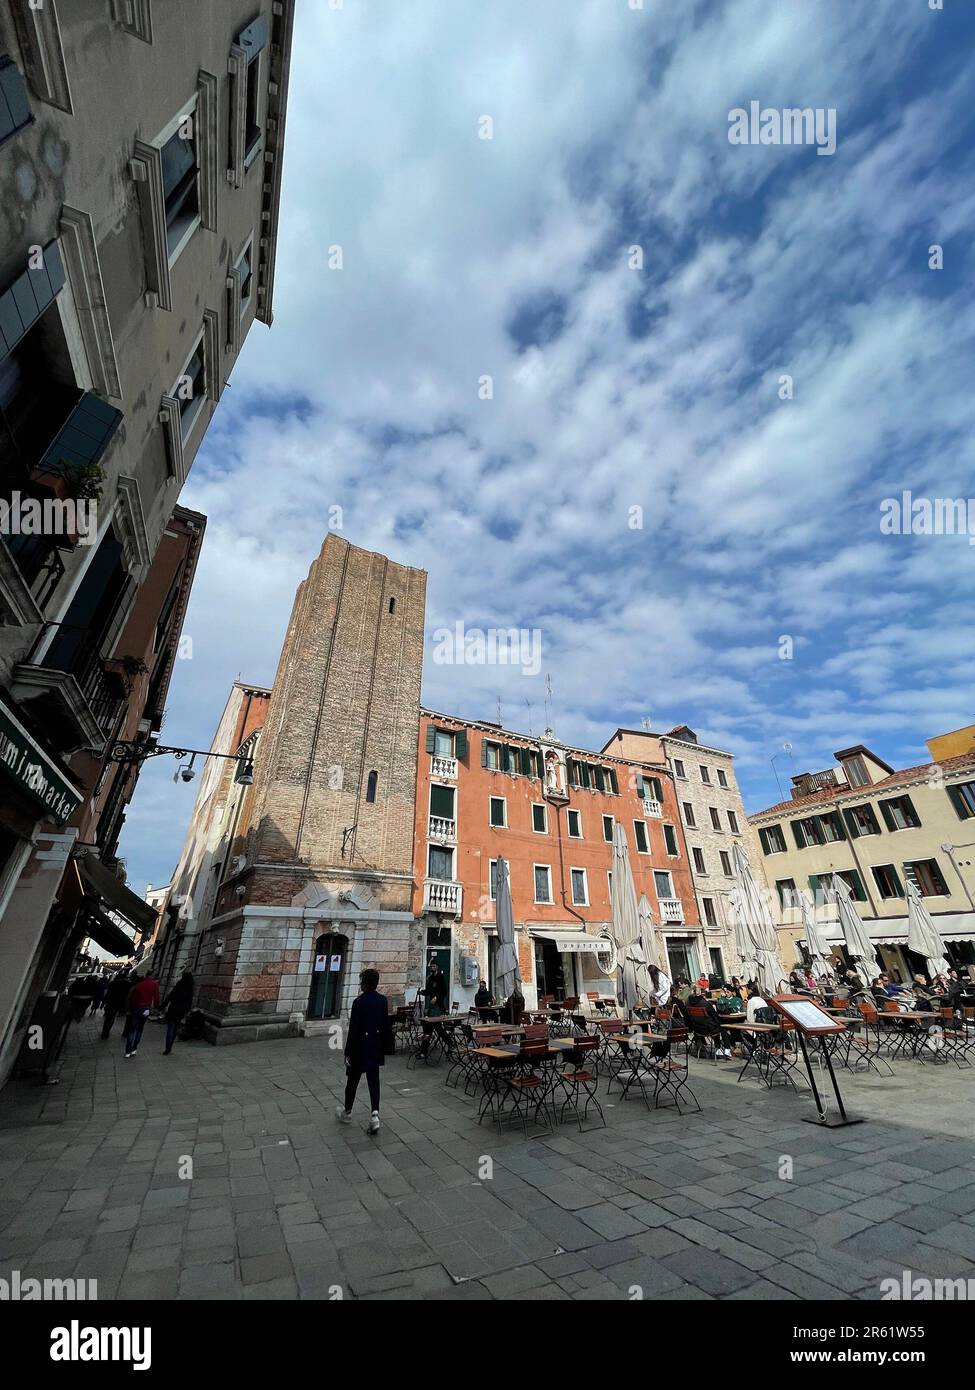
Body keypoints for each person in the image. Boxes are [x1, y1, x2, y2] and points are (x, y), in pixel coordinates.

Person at [335, 968, 392, 1134]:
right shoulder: (382, 1001)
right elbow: (385, 1026)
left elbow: (353, 1030)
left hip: (360, 1047)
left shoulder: (358, 1002)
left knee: (352, 1082)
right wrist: (386, 1047)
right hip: (375, 1046)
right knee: (374, 1082)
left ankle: (347, 1111)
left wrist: (348, 1052)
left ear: (364, 983)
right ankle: (375, 1114)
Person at [123, 972, 160, 1058]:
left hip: (136, 1008)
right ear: (152, 976)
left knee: (132, 1029)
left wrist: (130, 1009)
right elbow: (156, 998)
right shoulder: (154, 984)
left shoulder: (139, 985)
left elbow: (132, 998)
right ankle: (134, 1049)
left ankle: (128, 1051)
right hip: (146, 1009)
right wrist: (156, 1008)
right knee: (140, 1029)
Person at [162, 971, 194, 1055]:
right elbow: (189, 1002)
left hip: (173, 1009)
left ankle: (167, 1048)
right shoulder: (190, 988)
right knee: (175, 1028)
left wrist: (162, 1006)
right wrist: (187, 1011)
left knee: (170, 1029)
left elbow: (170, 995)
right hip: (181, 1011)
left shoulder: (179, 984)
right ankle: (170, 1046)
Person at [101, 969, 131, 1039]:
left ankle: (105, 1033)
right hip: (120, 1003)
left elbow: (108, 993)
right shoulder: (128, 984)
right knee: (113, 1018)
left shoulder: (112, 983)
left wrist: (103, 1002)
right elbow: (128, 995)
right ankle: (107, 1032)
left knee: (108, 1018)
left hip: (111, 1002)